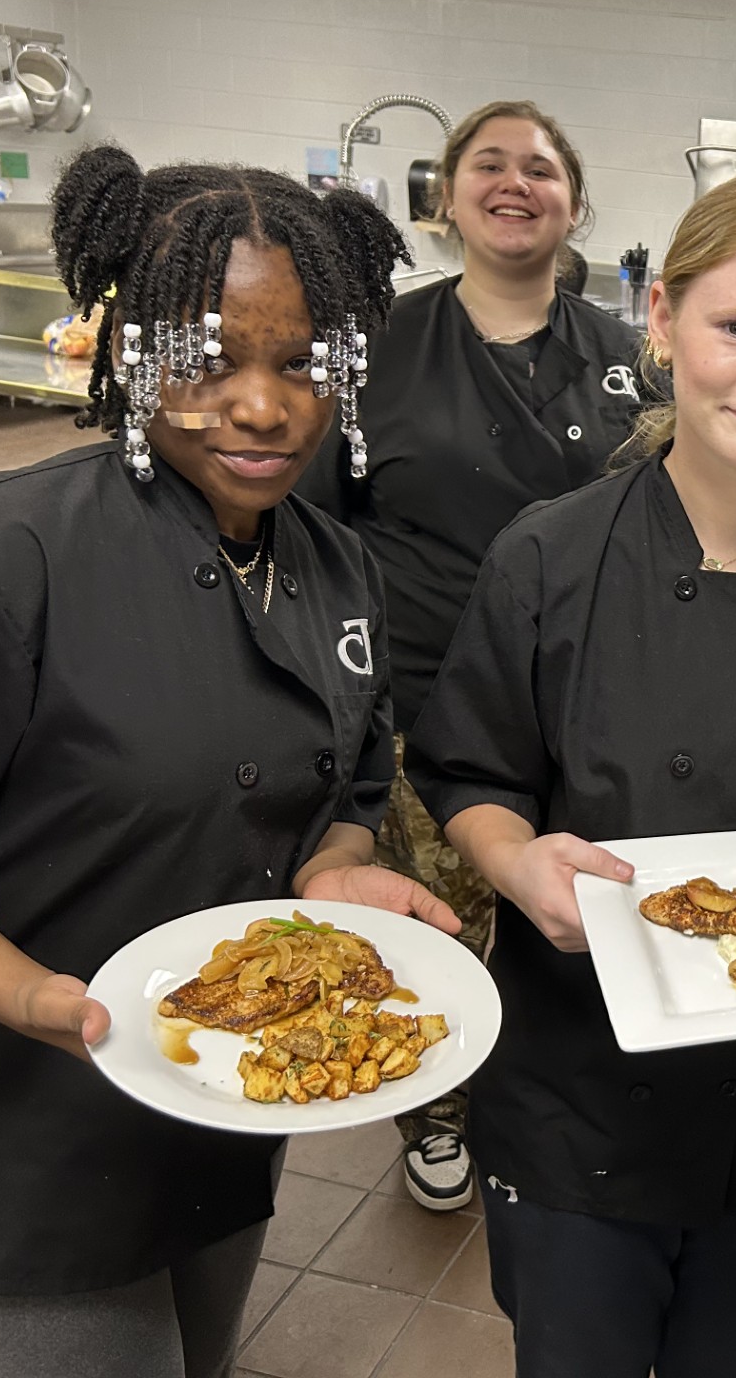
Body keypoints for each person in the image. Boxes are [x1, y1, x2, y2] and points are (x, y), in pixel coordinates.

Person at [0, 145, 456, 1378]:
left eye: (301, 363)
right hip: (20, 1131)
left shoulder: (338, 570)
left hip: (211, 1102)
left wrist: (335, 868)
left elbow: (341, 789)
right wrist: (32, 996)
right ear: (126, 347)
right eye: (208, 357)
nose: (261, 405)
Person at [406, 170, 736, 1378]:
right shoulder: (548, 557)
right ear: (662, 322)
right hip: (578, 1088)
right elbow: (469, 769)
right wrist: (514, 855)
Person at [297, 99, 643, 1210]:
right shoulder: (378, 350)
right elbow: (319, 533)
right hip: (417, 700)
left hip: (585, 701)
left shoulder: (627, 359)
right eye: (487, 165)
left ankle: (555, 1098)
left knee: (565, 914)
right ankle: (433, 1110)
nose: (514, 183)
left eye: (540, 168)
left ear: (574, 202)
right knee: (434, 914)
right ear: (445, 199)